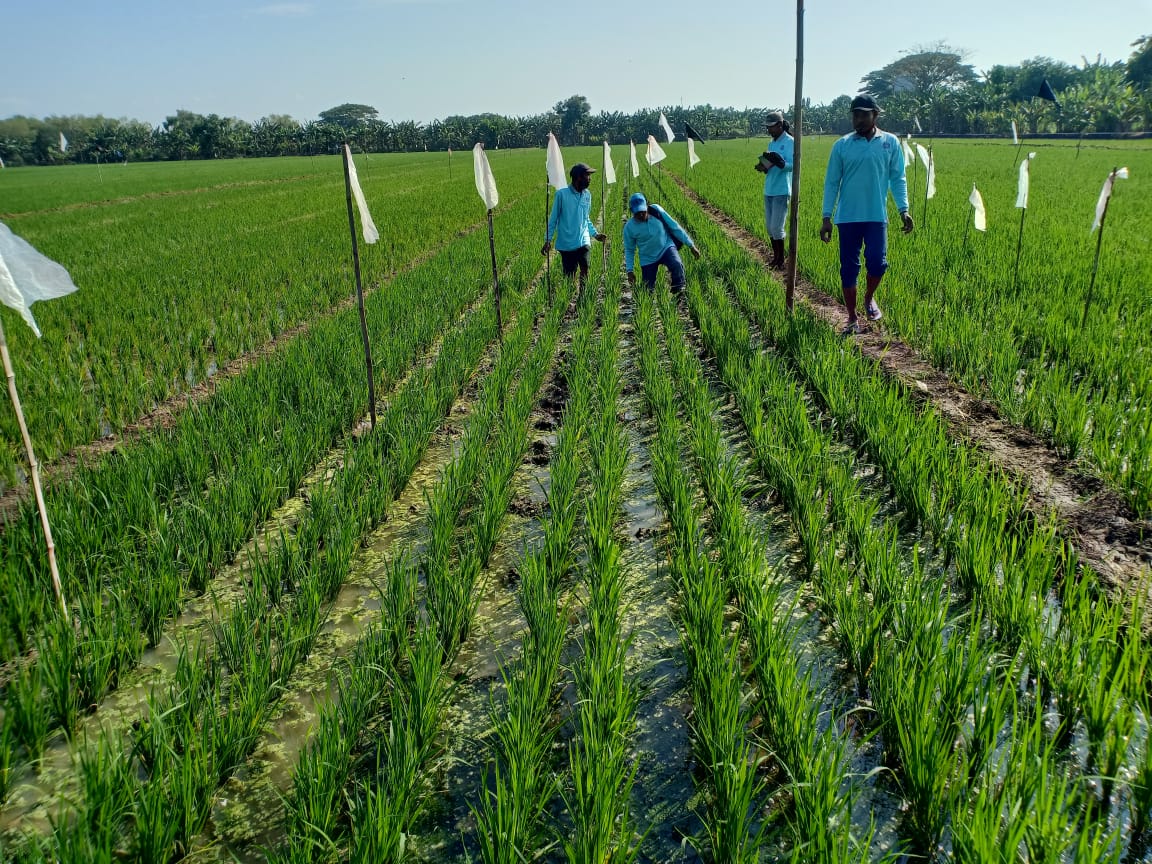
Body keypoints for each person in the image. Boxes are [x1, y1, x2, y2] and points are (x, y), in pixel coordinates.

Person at [819, 93, 914, 335]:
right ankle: (851, 317)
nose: (858, 119)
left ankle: (869, 298)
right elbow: (831, 183)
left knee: (878, 263)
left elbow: (898, 178)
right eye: (855, 115)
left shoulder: (890, 143)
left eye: (863, 114)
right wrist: (826, 217)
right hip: (848, 217)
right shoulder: (842, 145)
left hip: (876, 216)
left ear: (875, 115)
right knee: (848, 268)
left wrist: (904, 209)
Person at [542, 162, 606, 291]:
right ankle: (568, 300)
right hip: (567, 243)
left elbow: (586, 218)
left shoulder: (587, 195)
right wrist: (548, 240)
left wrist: (595, 234)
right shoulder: (561, 195)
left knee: (585, 267)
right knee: (569, 275)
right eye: (587, 175)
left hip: (583, 240)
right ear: (578, 177)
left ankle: (583, 296)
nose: (590, 179)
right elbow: (553, 219)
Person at [622, 193, 701, 294]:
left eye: (643, 211)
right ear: (632, 211)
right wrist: (629, 270)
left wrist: (691, 245)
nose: (641, 215)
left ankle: (678, 291)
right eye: (638, 213)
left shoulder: (656, 211)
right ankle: (646, 304)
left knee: (676, 264)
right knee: (647, 290)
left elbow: (674, 226)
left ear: (646, 206)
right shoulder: (629, 227)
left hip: (666, 247)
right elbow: (629, 249)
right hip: (647, 257)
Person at [754, 111, 794, 269]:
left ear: (779, 125)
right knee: (770, 228)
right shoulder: (772, 143)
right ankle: (776, 258)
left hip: (782, 190)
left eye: (771, 127)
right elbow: (770, 164)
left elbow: (792, 165)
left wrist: (782, 163)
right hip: (769, 189)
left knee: (777, 227)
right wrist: (763, 166)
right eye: (767, 127)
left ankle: (781, 261)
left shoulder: (790, 142)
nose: (769, 130)